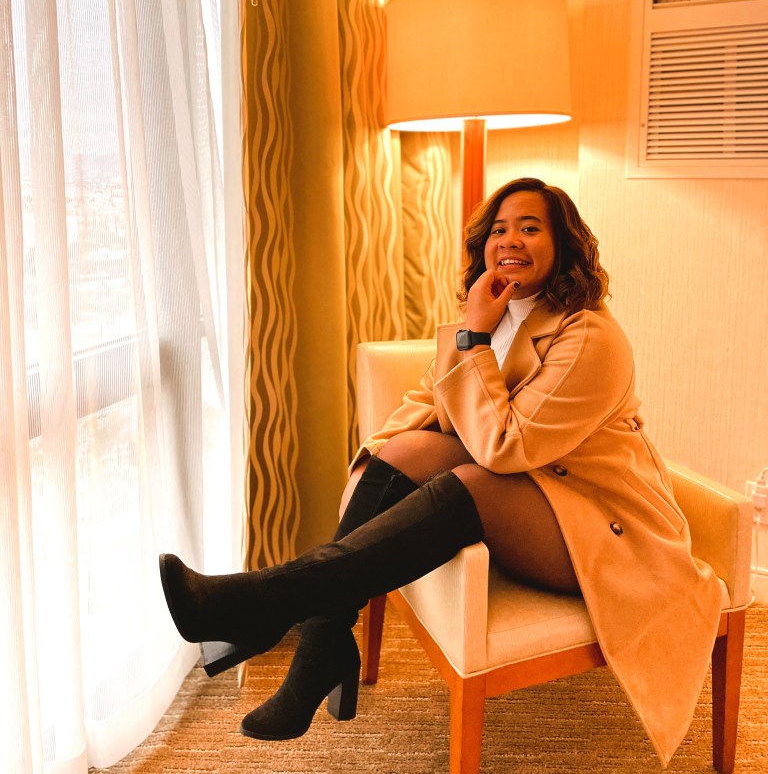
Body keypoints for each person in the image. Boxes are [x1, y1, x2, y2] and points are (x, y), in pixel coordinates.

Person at [160, 177, 721, 765]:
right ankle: (322, 641)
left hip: (603, 526)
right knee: (404, 452)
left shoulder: (589, 336)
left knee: (473, 483)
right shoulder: (491, 315)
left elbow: (502, 446)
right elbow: (429, 406)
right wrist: (379, 461)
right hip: (538, 487)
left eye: (530, 228)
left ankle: (262, 604)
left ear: (565, 244)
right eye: (499, 230)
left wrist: (473, 339)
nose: (511, 240)